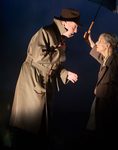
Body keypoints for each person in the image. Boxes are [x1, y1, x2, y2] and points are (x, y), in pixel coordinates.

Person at [9, 8, 81, 149]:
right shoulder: (45, 32)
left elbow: (55, 65)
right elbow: (38, 56)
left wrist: (66, 74)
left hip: (45, 83)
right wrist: (60, 51)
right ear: (65, 23)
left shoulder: (60, 37)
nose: (76, 31)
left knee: (40, 126)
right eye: (75, 27)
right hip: (32, 82)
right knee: (27, 124)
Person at [84, 32, 118, 150]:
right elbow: (101, 57)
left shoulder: (116, 61)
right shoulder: (109, 58)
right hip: (103, 111)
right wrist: (90, 41)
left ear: (108, 45)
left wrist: (98, 90)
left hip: (109, 114)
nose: (97, 43)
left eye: (99, 41)